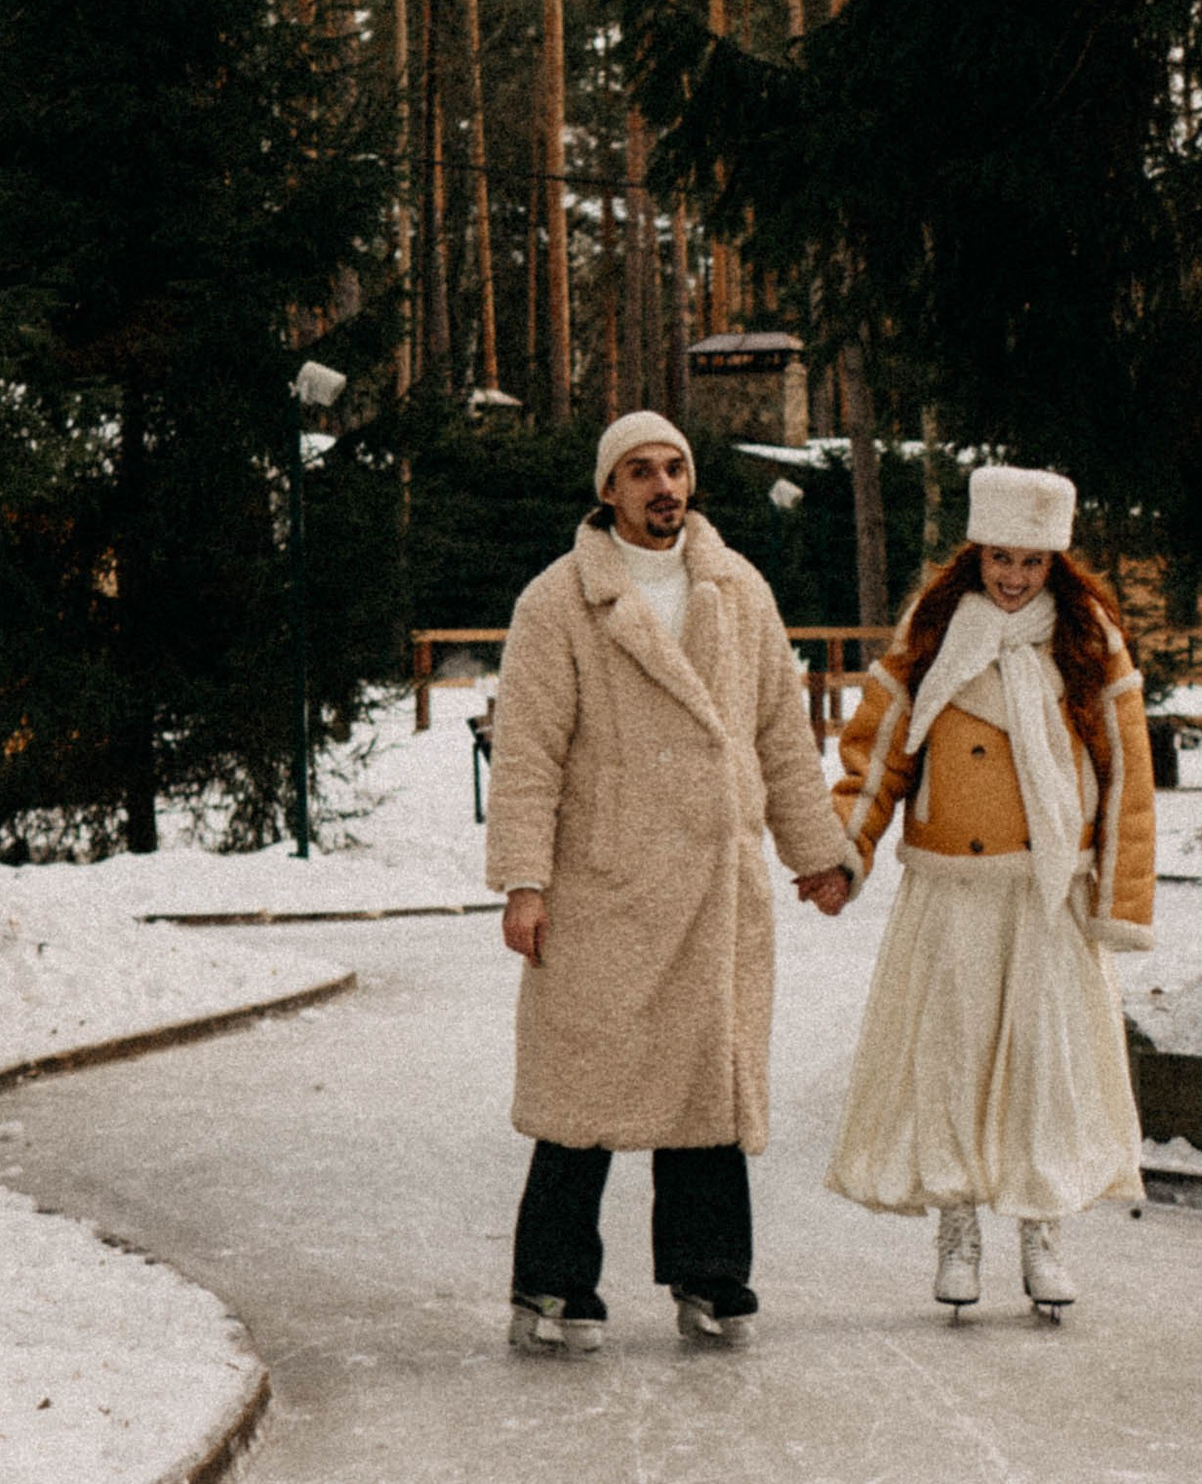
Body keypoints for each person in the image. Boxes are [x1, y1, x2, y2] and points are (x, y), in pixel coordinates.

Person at [485, 408, 858, 1352]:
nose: (664, 488)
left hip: (714, 881)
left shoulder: (738, 589)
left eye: (677, 469)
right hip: (605, 881)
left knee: (709, 1083)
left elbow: (780, 730)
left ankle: (712, 1275)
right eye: (641, 472)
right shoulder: (558, 602)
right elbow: (528, 753)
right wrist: (524, 881)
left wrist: (814, 851)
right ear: (608, 490)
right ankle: (554, 1283)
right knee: (587, 1087)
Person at [826, 464, 1156, 1318]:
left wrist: (1120, 898)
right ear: (976, 555)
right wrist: (845, 850)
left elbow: (1126, 774)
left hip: (1046, 890)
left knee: (1043, 1064)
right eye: (1001, 558)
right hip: (952, 888)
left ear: (1057, 565)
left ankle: (1042, 1232)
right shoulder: (931, 635)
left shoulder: (1089, 642)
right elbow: (879, 752)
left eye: (1033, 563)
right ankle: (957, 1224)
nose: (1014, 578)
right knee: (954, 1059)